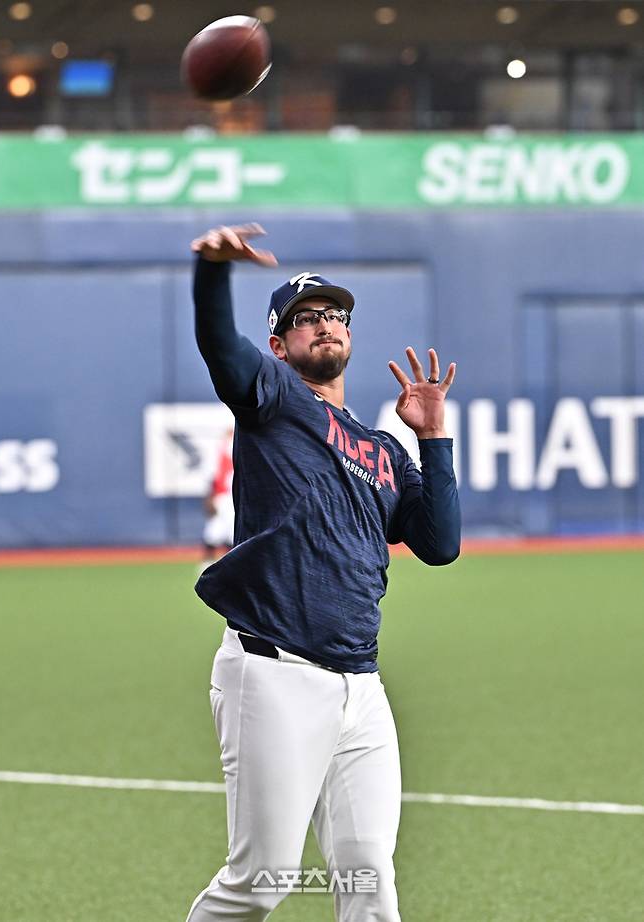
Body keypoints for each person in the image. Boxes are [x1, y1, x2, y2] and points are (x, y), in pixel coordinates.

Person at [185, 223, 460, 922]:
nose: (323, 325)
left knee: (370, 879)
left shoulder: (379, 448)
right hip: (274, 671)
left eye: (334, 315)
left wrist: (432, 439)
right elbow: (221, 348)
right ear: (279, 345)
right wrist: (213, 271)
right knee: (261, 881)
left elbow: (440, 544)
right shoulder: (273, 398)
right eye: (305, 319)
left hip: (361, 689)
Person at [201, 427, 235, 569]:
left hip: (233, 497)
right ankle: (207, 565)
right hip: (222, 497)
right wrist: (209, 497)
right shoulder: (222, 448)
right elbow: (212, 478)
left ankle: (231, 567)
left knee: (231, 534)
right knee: (214, 531)